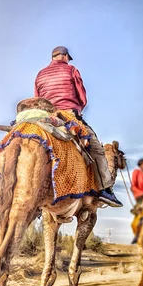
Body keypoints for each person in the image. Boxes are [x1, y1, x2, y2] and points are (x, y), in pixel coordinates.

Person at [34, 46, 122, 207]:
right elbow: (82, 98)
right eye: (68, 57)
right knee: (96, 148)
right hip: (68, 114)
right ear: (65, 56)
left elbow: (37, 99)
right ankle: (105, 190)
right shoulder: (72, 70)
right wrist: (78, 109)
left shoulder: (40, 74)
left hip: (45, 117)